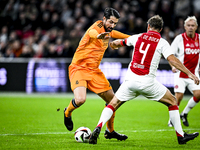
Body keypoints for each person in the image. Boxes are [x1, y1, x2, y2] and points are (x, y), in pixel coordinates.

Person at [89, 15, 199, 145]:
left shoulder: (138, 37)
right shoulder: (162, 42)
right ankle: (181, 136)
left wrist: (113, 44)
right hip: (148, 83)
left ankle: (98, 127)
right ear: (161, 29)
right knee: (173, 101)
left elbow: (120, 42)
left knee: (112, 104)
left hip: (130, 81)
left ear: (148, 26)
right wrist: (190, 74)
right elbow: (172, 59)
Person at [64, 7, 130, 141]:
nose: (112, 25)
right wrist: (98, 36)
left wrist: (134, 38)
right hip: (79, 68)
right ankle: (67, 112)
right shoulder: (98, 26)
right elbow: (93, 32)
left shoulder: (108, 31)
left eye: (115, 23)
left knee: (113, 102)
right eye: (110, 22)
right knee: (81, 100)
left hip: (94, 71)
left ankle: (110, 132)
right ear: (104, 19)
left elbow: (115, 34)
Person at [168, 16, 200, 127]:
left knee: (198, 94)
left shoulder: (199, 38)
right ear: (185, 27)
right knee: (179, 97)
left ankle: (184, 113)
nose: (190, 27)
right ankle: (172, 119)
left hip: (194, 74)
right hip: (180, 73)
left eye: (193, 25)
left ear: (196, 27)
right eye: (188, 25)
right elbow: (170, 54)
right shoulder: (179, 39)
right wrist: (172, 66)